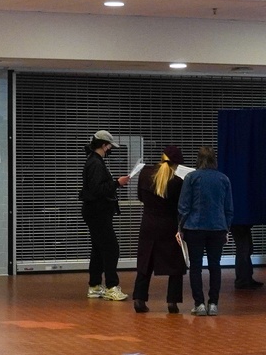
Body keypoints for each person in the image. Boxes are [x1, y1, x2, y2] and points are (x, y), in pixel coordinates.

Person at [178, 146, 232, 316]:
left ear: (198, 159)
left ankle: (199, 304)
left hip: (194, 227)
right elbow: (228, 208)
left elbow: (184, 206)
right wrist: (226, 228)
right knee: (215, 266)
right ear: (214, 159)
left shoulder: (191, 177)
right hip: (217, 228)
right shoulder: (224, 179)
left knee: (196, 267)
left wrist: (180, 226)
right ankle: (214, 303)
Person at [133, 146, 187, 314]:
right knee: (176, 264)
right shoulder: (178, 182)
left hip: (148, 224)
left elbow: (140, 197)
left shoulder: (144, 174)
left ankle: (139, 299)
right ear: (176, 164)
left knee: (145, 262)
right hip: (168, 226)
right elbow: (180, 206)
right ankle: (172, 302)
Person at [80, 130, 130, 301]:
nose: (110, 149)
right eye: (109, 146)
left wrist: (113, 183)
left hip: (95, 212)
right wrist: (117, 183)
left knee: (99, 249)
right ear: (103, 145)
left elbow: (98, 186)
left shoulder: (94, 161)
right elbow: (96, 190)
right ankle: (111, 286)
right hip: (98, 212)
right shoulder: (95, 163)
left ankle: (94, 285)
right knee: (111, 248)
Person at [231, 224, 262, 290]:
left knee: (247, 249)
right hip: (238, 222)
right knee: (243, 250)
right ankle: (242, 281)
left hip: (241, 222)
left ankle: (247, 278)